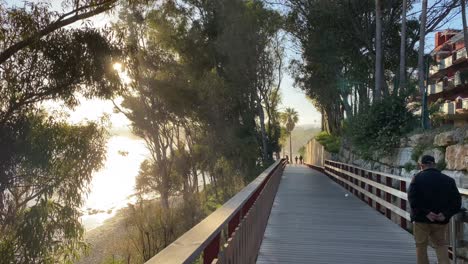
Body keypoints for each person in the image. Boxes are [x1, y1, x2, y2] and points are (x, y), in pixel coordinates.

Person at [408, 155, 461, 264]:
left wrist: (426, 213)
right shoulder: (449, 180)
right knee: (441, 245)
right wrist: (445, 214)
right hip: (440, 220)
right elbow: (456, 203)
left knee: (421, 246)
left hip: (421, 219)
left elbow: (412, 199)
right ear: (434, 165)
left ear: (421, 166)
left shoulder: (416, 178)